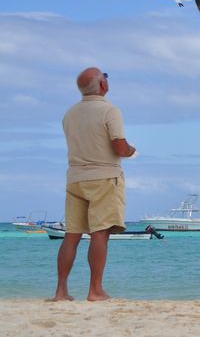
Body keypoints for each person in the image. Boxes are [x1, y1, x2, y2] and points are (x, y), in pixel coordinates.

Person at [50, 67, 136, 302]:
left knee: (72, 235)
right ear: (102, 86)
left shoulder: (70, 113)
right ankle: (95, 290)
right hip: (103, 177)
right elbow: (119, 147)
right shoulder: (110, 110)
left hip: (75, 178)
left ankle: (61, 291)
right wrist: (131, 151)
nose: (107, 80)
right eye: (105, 77)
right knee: (100, 233)